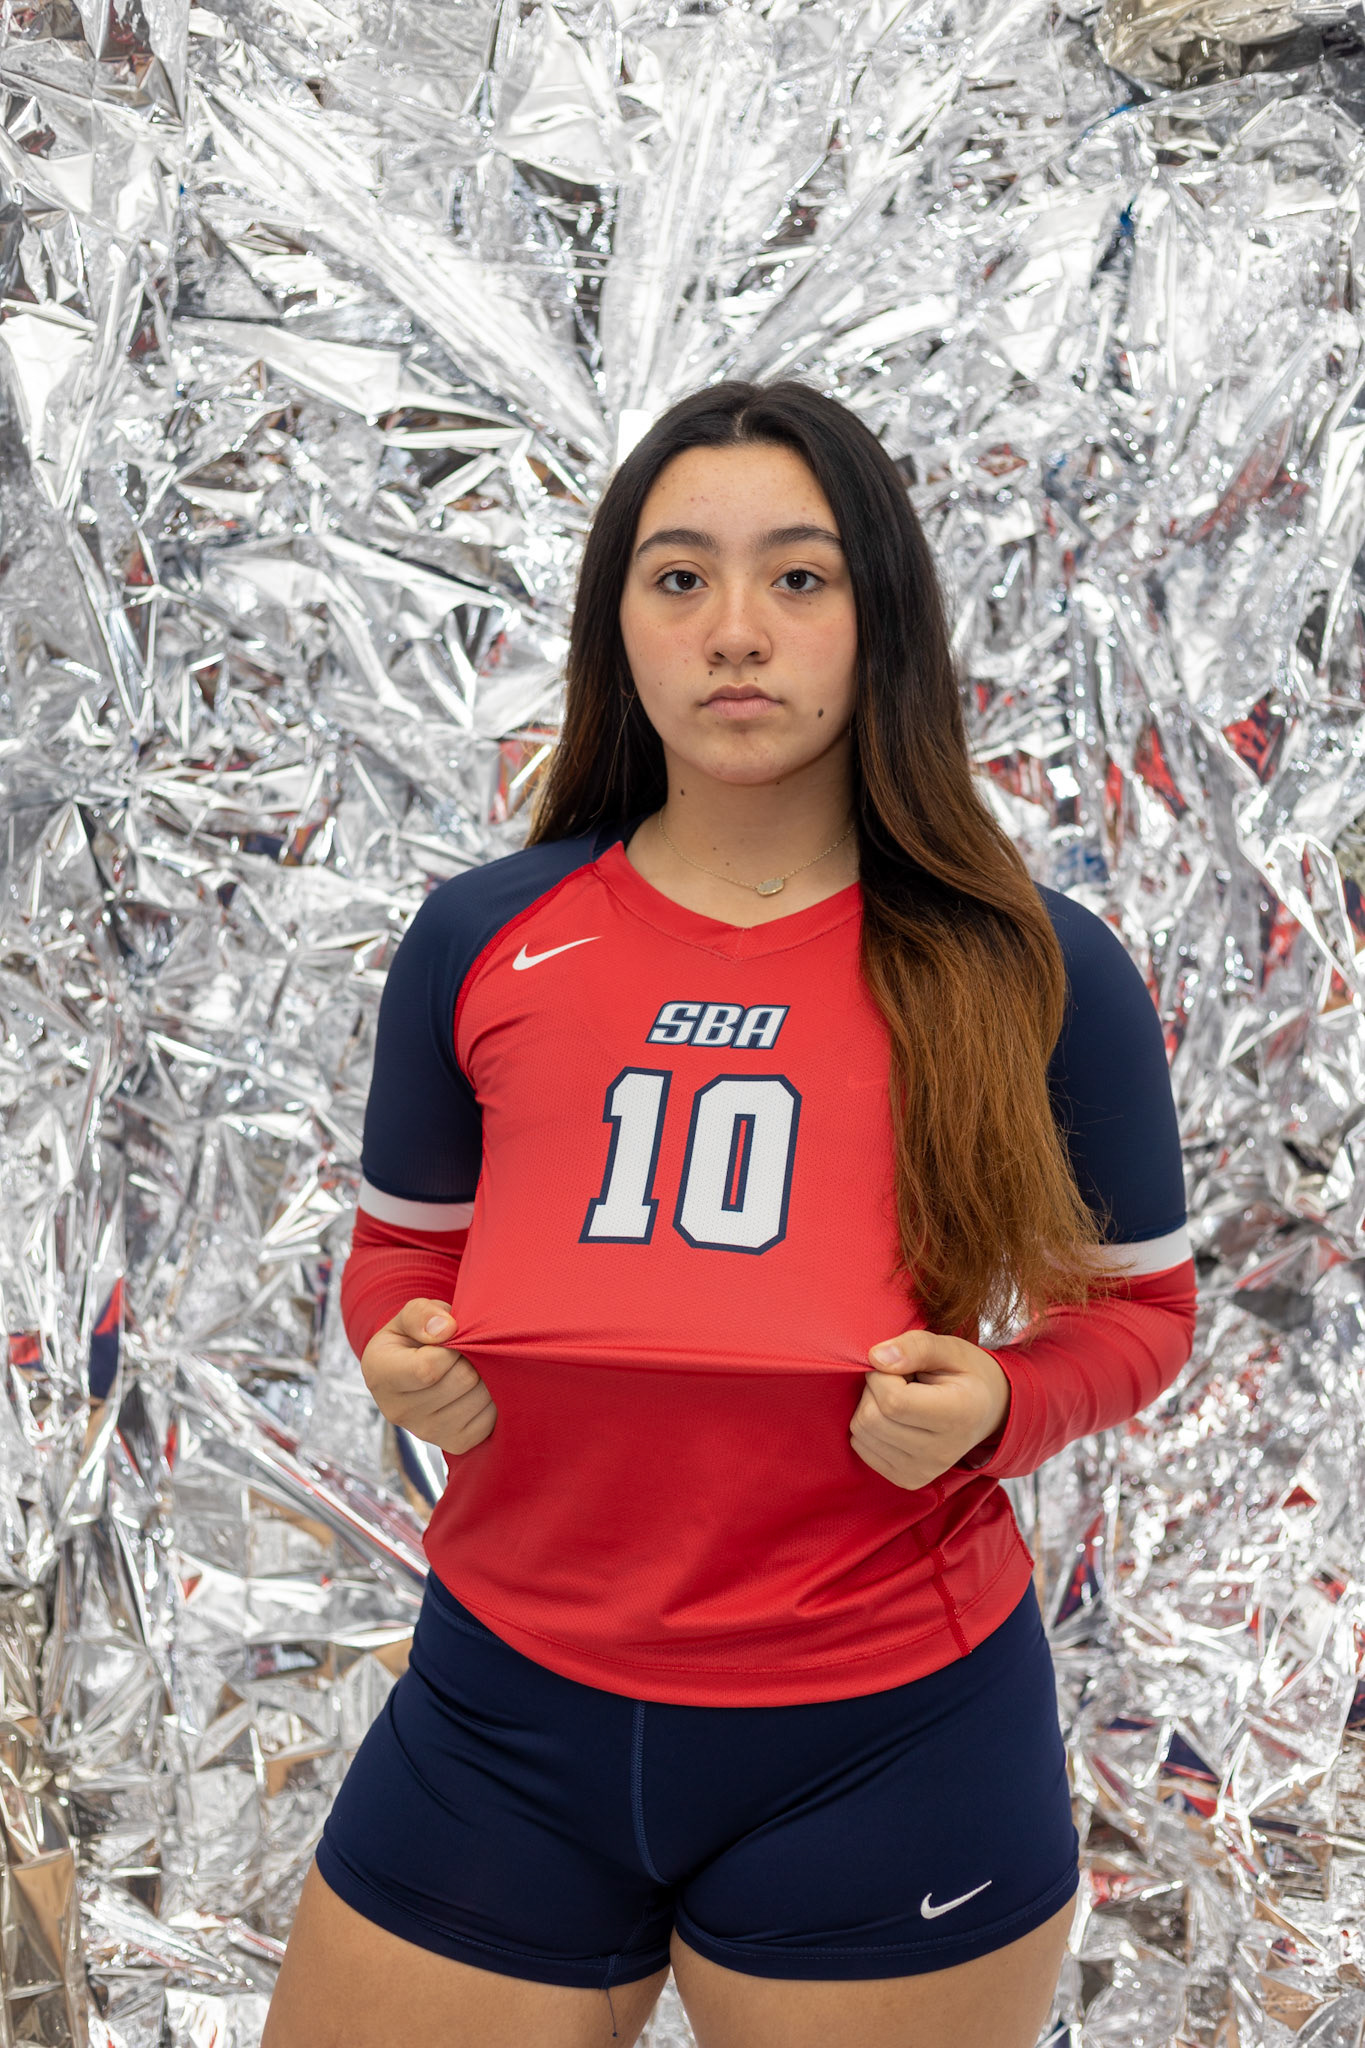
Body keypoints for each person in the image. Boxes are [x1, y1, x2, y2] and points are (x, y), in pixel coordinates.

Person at [262, 379, 1197, 2048]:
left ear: (879, 619)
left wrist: (1001, 1403)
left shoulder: (1028, 962)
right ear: (616, 620)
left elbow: (1142, 1313)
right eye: (679, 577)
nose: (736, 630)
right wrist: (395, 1354)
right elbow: (406, 1250)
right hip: (499, 1715)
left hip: (885, 1739)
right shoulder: (485, 932)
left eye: (800, 577)